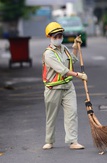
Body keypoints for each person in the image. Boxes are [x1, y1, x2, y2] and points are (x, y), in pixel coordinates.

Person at [42, 22, 87, 150]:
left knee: (72, 113)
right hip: (53, 89)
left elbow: (72, 60)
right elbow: (62, 70)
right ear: (50, 37)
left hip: (67, 87)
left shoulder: (65, 49)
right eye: (55, 36)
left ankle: (73, 141)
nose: (58, 38)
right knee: (51, 117)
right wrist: (79, 74)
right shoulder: (48, 54)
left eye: (60, 36)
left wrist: (75, 47)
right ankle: (49, 141)